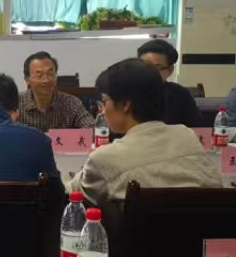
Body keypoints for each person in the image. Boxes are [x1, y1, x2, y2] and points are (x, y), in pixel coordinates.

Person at [68, 59, 222, 208]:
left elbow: (72, 192)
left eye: (104, 101)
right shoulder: (186, 135)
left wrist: (83, 173)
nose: (103, 110)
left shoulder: (104, 158)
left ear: (125, 105)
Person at [17, 52, 95, 132]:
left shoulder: (71, 103)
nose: (46, 80)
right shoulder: (16, 103)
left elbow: (92, 129)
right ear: (27, 80)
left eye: (50, 74)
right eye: (39, 75)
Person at [137, 39, 203, 127]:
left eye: (156, 67)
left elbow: (194, 127)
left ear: (170, 70)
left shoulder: (180, 95)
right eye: (144, 66)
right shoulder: (126, 93)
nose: (148, 71)